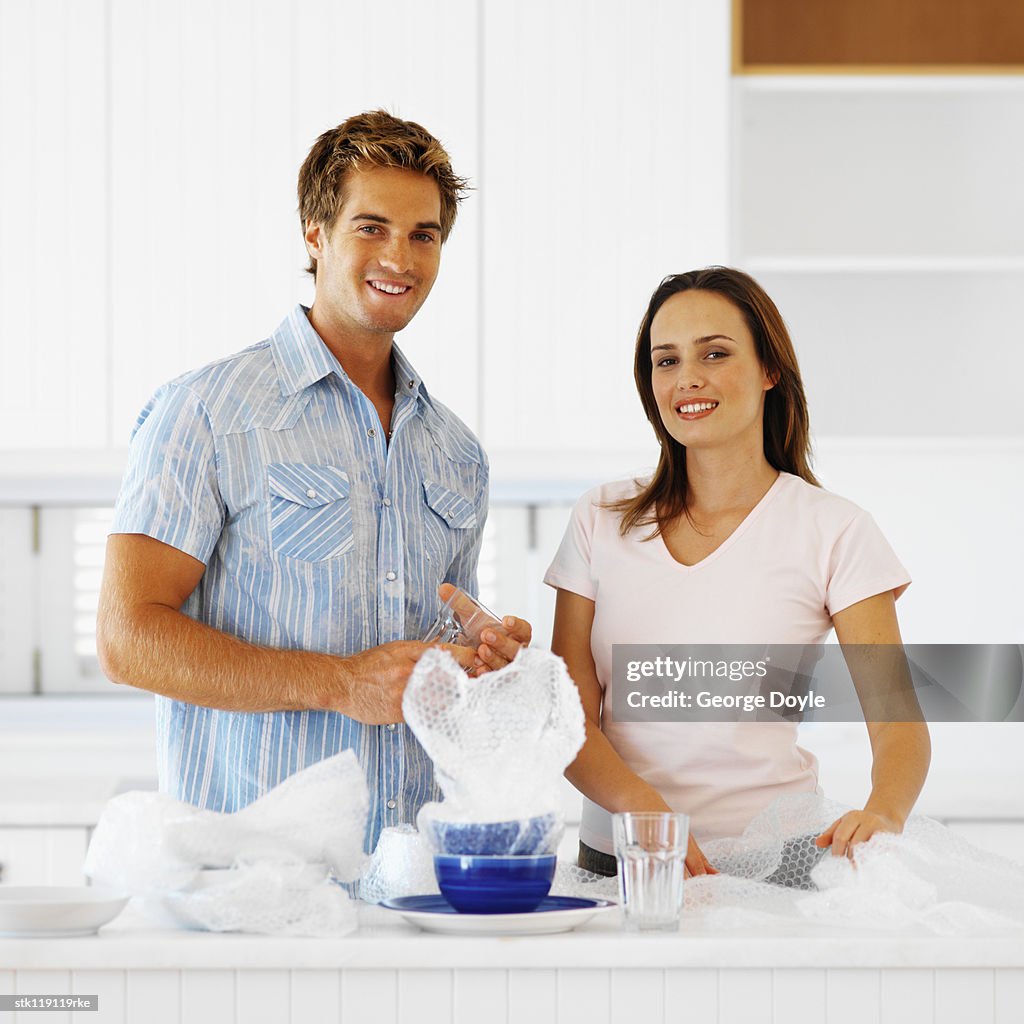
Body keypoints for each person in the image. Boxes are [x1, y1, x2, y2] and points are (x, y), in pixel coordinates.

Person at [96, 110, 530, 851]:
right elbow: (128, 637)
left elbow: (433, 652)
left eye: (424, 235)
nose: (400, 256)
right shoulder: (208, 412)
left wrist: (483, 658)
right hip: (250, 890)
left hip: (409, 878)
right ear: (315, 234)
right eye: (371, 227)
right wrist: (339, 682)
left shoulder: (457, 451)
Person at [544, 267, 930, 878]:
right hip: (622, 858)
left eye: (715, 354)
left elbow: (897, 723)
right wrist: (644, 811)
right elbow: (565, 716)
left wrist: (884, 810)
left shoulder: (835, 529)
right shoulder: (600, 519)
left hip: (777, 862)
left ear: (770, 370)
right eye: (665, 361)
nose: (687, 378)